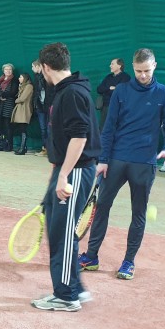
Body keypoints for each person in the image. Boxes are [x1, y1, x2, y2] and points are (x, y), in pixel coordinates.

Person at [79, 48, 165, 281]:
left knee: (138, 213)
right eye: (138, 71)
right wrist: (103, 160)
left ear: (155, 66)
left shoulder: (164, 94)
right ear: (133, 68)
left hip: (144, 163)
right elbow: (109, 126)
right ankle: (91, 256)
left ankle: (128, 261)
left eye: (146, 71)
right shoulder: (122, 91)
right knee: (102, 206)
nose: (142, 75)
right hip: (116, 161)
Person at [31, 42, 100, 312]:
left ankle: (66, 296)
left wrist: (64, 176)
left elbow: (79, 137)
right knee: (57, 224)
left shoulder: (71, 93)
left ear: (46, 67)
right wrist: (57, 171)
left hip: (76, 171)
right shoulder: (67, 88)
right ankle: (75, 288)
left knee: (61, 233)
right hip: (67, 168)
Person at [0, 63, 18, 151]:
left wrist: (1, 95)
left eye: (10, 69)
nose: (8, 71)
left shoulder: (14, 80)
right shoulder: (0, 79)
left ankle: (9, 146)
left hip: (8, 105)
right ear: (3, 70)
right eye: (6, 69)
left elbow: (13, 92)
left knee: (7, 125)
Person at [97, 58, 130, 128]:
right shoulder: (108, 77)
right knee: (102, 129)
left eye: (112, 64)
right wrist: (109, 88)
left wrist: (107, 90)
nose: (110, 65)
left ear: (119, 66)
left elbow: (120, 92)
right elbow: (99, 89)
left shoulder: (125, 77)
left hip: (118, 108)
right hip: (105, 108)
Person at [32, 60, 53, 156]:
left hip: (49, 106)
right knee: (43, 128)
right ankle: (44, 148)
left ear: (38, 66)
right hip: (40, 106)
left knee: (49, 128)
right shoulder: (36, 77)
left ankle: (52, 149)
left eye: (33, 66)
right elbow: (36, 92)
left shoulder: (48, 76)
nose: (32, 69)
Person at [10, 72, 34, 155]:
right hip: (21, 109)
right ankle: (23, 147)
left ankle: (23, 147)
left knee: (23, 128)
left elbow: (22, 98)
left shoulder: (29, 86)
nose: (19, 79)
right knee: (21, 128)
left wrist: (16, 100)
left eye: (20, 77)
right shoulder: (22, 86)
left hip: (25, 109)